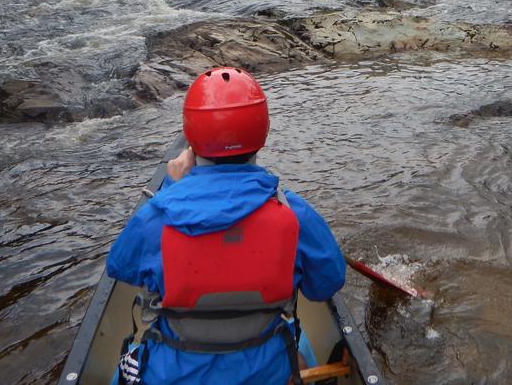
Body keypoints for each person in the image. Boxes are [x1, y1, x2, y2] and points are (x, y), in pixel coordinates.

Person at [106, 67, 346, 385]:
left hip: (174, 374)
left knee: (125, 365)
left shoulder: (157, 216)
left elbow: (120, 267)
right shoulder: (295, 214)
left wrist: (173, 189)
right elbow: (326, 285)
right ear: (262, 133)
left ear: (191, 138)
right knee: (300, 345)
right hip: (268, 372)